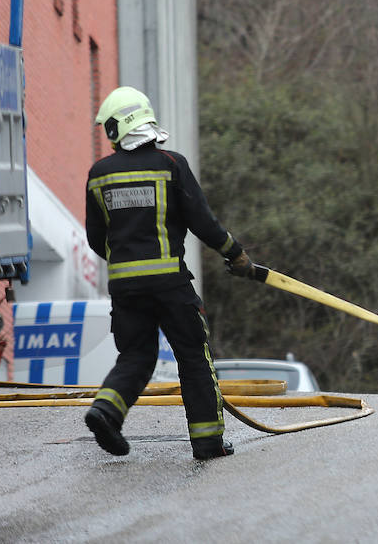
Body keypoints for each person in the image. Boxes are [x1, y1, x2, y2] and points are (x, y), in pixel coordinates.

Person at [82, 87, 259, 460]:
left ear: (118, 128)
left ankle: (106, 411)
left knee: (136, 356)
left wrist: (125, 263)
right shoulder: (170, 164)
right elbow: (203, 222)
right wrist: (236, 255)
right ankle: (208, 440)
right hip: (171, 285)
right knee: (193, 356)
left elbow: (97, 239)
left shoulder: (98, 175)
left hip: (126, 289)